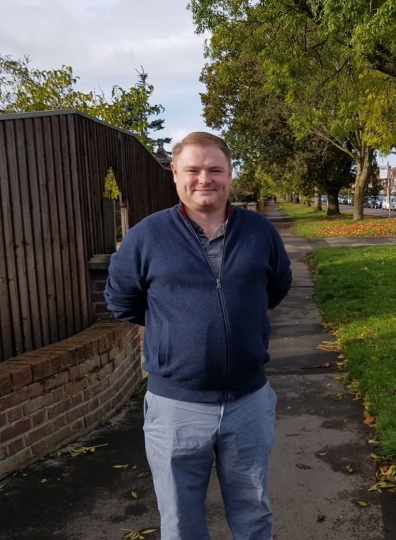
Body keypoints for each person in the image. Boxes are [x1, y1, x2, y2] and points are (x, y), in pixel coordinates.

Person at [105, 132, 292, 539]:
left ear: (229, 174)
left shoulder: (260, 232)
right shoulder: (147, 236)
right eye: (193, 169)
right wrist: (178, 334)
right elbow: (123, 301)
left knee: (253, 513)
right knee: (180, 522)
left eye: (214, 170)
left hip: (248, 404)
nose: (204, 179)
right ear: (176, 173)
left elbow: (275, 288)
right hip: (176, 408)